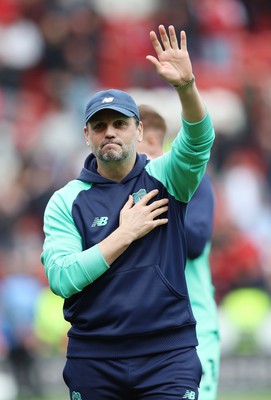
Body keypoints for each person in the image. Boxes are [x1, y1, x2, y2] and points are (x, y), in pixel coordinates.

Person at [41, 25, 215, 400]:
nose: (110, 133)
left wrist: (186, 87)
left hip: (168, 355)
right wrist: (124, 233)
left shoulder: (165, 176)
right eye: (100, 126)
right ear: (86, 135)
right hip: (94, 358)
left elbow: (199, 141)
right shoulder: (66, 200)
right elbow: (62, 278)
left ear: (139, 131)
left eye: (120, 124)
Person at [137, 104, 220, 400]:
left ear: (147, 139)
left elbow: (195, 242)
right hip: (140, 333)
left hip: (193, 325)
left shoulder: (190, 181)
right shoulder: (114, 192)